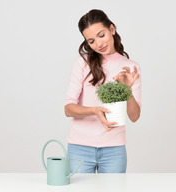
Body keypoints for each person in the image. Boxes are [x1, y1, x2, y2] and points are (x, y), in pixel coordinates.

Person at [64, 9, 141, 173]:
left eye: (101, 35)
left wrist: (126, 89)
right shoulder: (82, 63)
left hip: (114, 150)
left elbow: (134, 116)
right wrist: (94, 111)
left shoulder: (131, 68)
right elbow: (68, 109)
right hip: (79, 148)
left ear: (112, 29)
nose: (98, 44)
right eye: (91, 41)